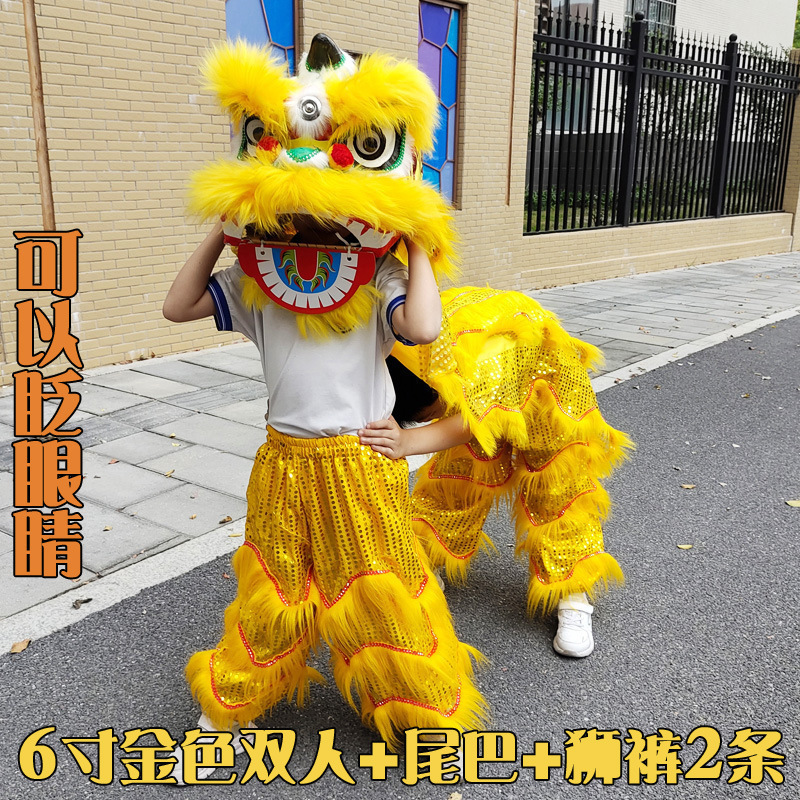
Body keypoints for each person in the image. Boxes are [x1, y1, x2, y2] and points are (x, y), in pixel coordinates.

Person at [162, 35, 487, 781]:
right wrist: (223, 225)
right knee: (272, 587)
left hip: (359, 460)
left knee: (382, 584)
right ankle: (228, 706)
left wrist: (418, 240)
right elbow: (177, 306)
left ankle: (419, 709)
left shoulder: (375, 282)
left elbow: (424, 328)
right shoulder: (255, 284)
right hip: (284, 461)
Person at [359, 286, 634, 659]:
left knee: (557, 486)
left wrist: (408, 442)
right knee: (458, 474)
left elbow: (470, 423)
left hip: (546, 382)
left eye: (428, 415)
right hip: (475, 378)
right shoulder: (397, 351)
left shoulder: (478, 360)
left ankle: (572, 592)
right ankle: (429, 557)